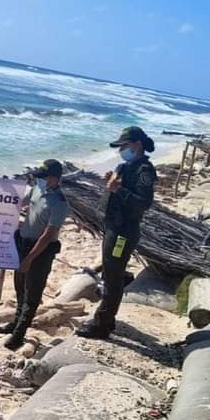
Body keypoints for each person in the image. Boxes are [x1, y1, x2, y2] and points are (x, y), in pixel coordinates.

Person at [77, 127, 156, 340]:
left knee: (112, 277)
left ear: (137, 144)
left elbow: (143, 203)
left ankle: (101, 325)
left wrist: (118, 189)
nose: (121, 150)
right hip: (113, 226)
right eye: (120, 146)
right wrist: (112, 183)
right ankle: (107, 320)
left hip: (123, 231)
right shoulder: (127, 166)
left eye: (124, 146)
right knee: (111, 274)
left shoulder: (144, 170)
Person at [0, 159, 69, 350]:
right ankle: (15, 323)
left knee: (33, 293)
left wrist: (30, 259)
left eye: (44, 177)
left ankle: (19, 334)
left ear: (54, 179)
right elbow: (20, 203)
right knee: (19, 287)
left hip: (41, 251)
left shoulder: (59, 203)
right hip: (23, 244)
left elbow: (48, 235)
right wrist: (6, 190)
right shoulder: (37, 190)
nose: (40, 180)